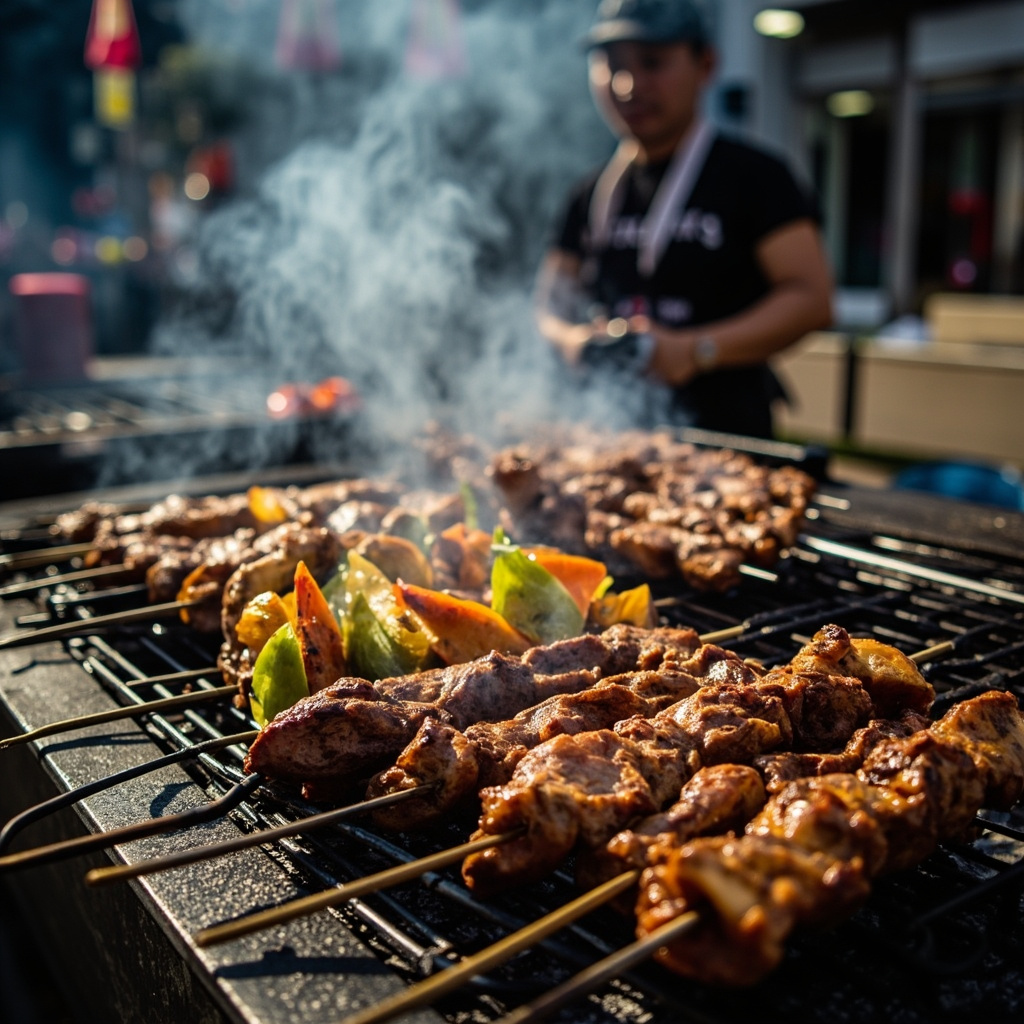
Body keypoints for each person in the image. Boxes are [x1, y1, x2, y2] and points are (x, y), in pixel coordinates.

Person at [535, 0, 834, 438]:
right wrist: (572, 343)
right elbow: (550, 302)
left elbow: (811, 299)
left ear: (705, 64)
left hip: (726, 439)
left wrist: (697, 349)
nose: (628, 85)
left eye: (652, 62)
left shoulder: (756, 177)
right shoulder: (589, 193)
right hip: (610, 434)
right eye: (611, 66)